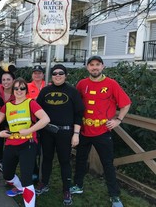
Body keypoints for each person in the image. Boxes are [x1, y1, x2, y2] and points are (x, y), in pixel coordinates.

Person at [70, 56, 131, 207]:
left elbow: (126, 103)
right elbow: (75, 103)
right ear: (87, 67)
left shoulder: (111, 84)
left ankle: (114, 195)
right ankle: (78, 186)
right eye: (91, 65)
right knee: (80, 160)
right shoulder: (82, 84)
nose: (94, 67)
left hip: (103, 132)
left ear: (103, 66)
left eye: (97, 65)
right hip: (84, 131)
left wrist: (119, 120)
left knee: (107, 164)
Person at [0, 78, 50, 207]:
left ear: (26, 90)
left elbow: (46, 119)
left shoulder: (31, 103)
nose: (19, 90)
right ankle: (19, 188)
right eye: (16, 88)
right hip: (11, 144)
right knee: (7, 175)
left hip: (27, 144)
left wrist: (30, 129)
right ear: (13, 90)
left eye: (22, 88)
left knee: (26, 178)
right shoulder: (7, 106)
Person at [36, 64, 85, 205]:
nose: (58, 75)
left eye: (61, 73)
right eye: (55, 73)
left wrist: (76, 134)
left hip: (65, 132)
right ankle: (44, 183)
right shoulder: (45, 91)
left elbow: (78, 114)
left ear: (65, 75)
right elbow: (36, 109)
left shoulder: (72, 92)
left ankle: (66, 189)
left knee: (65, 161)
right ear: (51, 76)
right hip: (47, 131)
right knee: (47, 159)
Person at [0, 70, 16, 184]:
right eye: (4, 80)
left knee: (10, 150)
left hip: (12, 124)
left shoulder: (17, 92)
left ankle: (9, 175)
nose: (6, 82)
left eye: (8, 79)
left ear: (13, 81)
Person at [27, 65, 46, 183]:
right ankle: (34, 170)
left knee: (45, 147)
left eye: (39, 72)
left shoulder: (48, 85)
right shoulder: (27, 86)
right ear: (32, 75)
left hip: (46, 120)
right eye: (35, 73)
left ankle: (43, 172)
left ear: (43, 74)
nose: (37, 75)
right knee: (32, 146)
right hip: (32, 121)